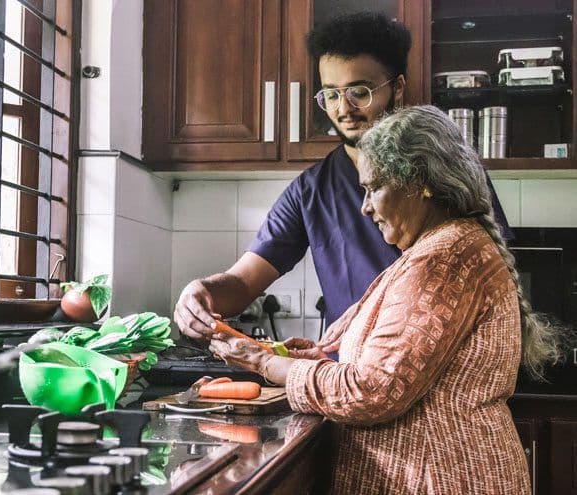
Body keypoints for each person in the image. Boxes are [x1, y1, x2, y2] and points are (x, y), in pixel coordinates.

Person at [209, 105, 564, 494]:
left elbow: (371, 391)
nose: (365, 207)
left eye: (373, 187)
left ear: (421, 182)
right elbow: (388, 366)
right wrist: (306, 357)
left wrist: (264, 362)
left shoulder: (443, 258)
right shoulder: (436, 249)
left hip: (442, 480)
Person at [174, 12, 510, 344]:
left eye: (359, 92)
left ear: (398, 88)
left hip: (439, 374)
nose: (343, 109)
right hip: (347, 381)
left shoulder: (446, 170)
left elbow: (492, 270)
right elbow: (244, 282)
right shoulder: (310, 192)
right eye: (331, 94)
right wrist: (203, 292)